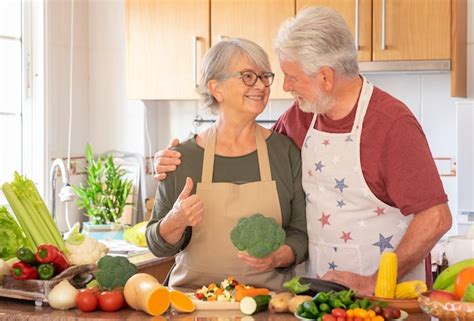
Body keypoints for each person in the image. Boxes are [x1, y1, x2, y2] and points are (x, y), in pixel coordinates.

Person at [154, 7, 452, 294]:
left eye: (292, 77)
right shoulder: (299, 119)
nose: (284, 86)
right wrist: (170, 161)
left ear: (325, 77)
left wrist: (375, 281)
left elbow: (436, 217)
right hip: (318, 296)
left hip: (384, 298)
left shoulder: (391, 124)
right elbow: (245, 148)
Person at [146, 38, 308, 292]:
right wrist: (175, 221)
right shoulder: (181, 157)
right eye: (247, 76)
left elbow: (300, 233)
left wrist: (279, 256)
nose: (261, 85)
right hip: (192, 305)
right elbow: (157, 244)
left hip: (267, 304)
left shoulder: (284, 152)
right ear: (216, 88)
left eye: (265, 76)